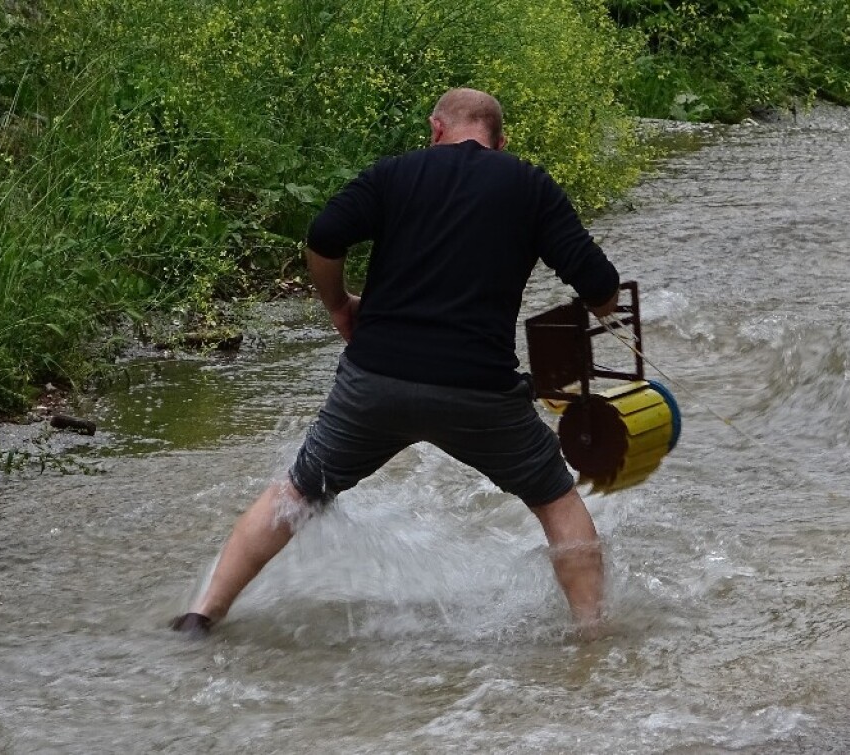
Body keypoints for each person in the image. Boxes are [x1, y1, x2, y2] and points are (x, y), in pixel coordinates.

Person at [171, 88, 621, 639]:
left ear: (435, 130)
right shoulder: (529, 185)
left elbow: (324, 235)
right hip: (479, 389)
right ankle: (593, 639)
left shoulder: (394, 174)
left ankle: (201, 616)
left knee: (296, 491)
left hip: (374, 382)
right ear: (500, 142)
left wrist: (338, 304)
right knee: (555, 499)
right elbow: (600, 288)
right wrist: (600, 312)